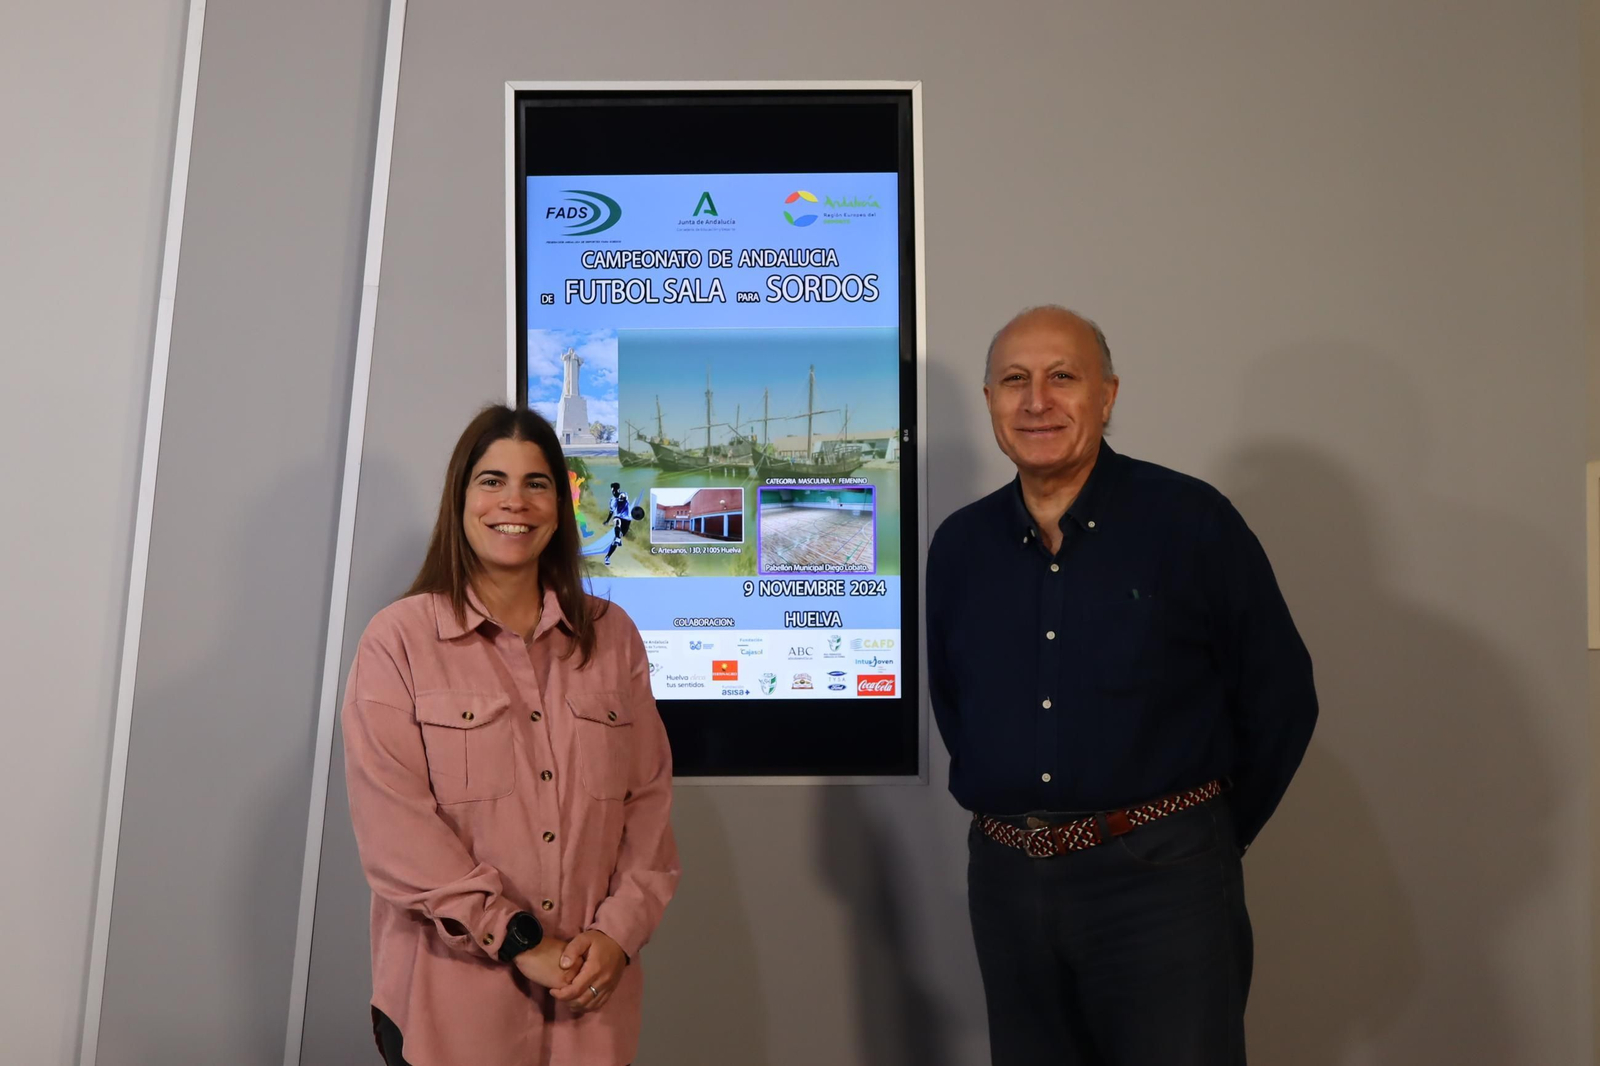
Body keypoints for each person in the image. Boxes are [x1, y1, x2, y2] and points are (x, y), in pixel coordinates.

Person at [925, 306, 1317, 1066]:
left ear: (1107, 396)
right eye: (1014, 381)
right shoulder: (961, 546)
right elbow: (956, 704)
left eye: (1061, 377)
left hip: (1161, 884)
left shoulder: (1192, 522)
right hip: (1008, 885)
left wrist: (1197, 837)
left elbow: (1281, 699)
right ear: (989, 403)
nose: (1036, 401)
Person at [343, 405, 678, 1066]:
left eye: (536, 483)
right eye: (492, 481)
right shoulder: (399, 642)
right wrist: (522, 941)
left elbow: (649, 811)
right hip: (450, 1013)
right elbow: (396, 835)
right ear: (461, 499)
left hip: (592, 1007)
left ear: (560, 502)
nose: (514, 503)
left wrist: (616, 936)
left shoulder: (614, 638)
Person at [603, 482, 631, 566]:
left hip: (627, 519)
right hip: (618, 517)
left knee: (617, 539)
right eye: (612, 490)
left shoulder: (624, 494)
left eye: (615, 490)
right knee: (616, 522)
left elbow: (621, 500)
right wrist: (607, 521)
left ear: (618, 490)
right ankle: (607, 557)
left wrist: (617, 499)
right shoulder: (612, 500)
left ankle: (617, 539)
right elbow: (611, 511)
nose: (613, 492)